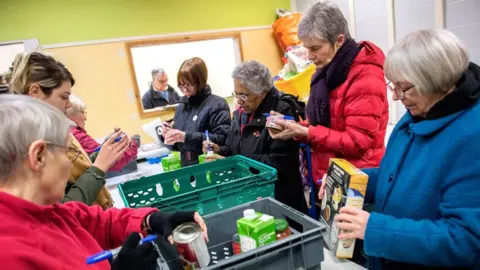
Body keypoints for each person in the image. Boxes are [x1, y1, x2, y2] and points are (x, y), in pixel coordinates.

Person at [317, 29, 480, 269]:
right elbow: (394, 175)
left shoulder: (471, 137)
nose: (394, 97)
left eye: (404, 88)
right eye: (393, 85)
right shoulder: (422, 112)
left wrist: (374, 229)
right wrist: (349, 181)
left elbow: (466, 240)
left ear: (436, 82)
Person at [0, 94, 208, 270]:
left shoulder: (48, 211)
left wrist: (152, 220)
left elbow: (101, 223)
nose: (68, 164)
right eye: (67, 152)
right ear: (38, 157)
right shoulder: (9, 254)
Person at [270, 1, 389, 185]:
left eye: (315, 48)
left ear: (339, 41)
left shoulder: (365, 76)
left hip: (357, 179)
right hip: (329, 175)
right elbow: (326, 124)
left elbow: (358, 142)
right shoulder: (327, 70)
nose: (309, 56)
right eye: (306, 48)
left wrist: (308, 132)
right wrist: (295, 127)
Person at [9, 52, 124, 208]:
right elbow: (61, 211)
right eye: (64, 97)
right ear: (35, 91)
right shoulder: (26, 144)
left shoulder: (52, 129)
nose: (69, 105)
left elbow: (75, 171)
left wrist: (105, 154)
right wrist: (98, 168)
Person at [201, 61, 308, 214]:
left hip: (280, 201)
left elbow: (278, 163)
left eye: (243, 95)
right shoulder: (241, 114)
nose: (238, 101)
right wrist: (221, 151)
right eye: (236, 94)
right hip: (249, 197)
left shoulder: (281, 112)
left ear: (262, 92)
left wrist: (235, 163)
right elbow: (235, 149)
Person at [162, 57, 231, 167]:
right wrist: (168, 135)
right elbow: (178, 146)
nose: (184, 90)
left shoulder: (217, 104)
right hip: (186, 166)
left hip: (208, 166)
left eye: (189, 85)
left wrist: (186, 137)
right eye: (181, 85)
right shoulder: (181, 106)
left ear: (201, 82)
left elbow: (223, 139)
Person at [67, 95, 140, 171]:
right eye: (82, 112)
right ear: (71, 114)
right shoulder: (77, 136)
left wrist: (111, 140)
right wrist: (132, 145)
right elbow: (109, 160)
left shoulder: (69, 133)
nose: (85, 118)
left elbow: (95, 153)